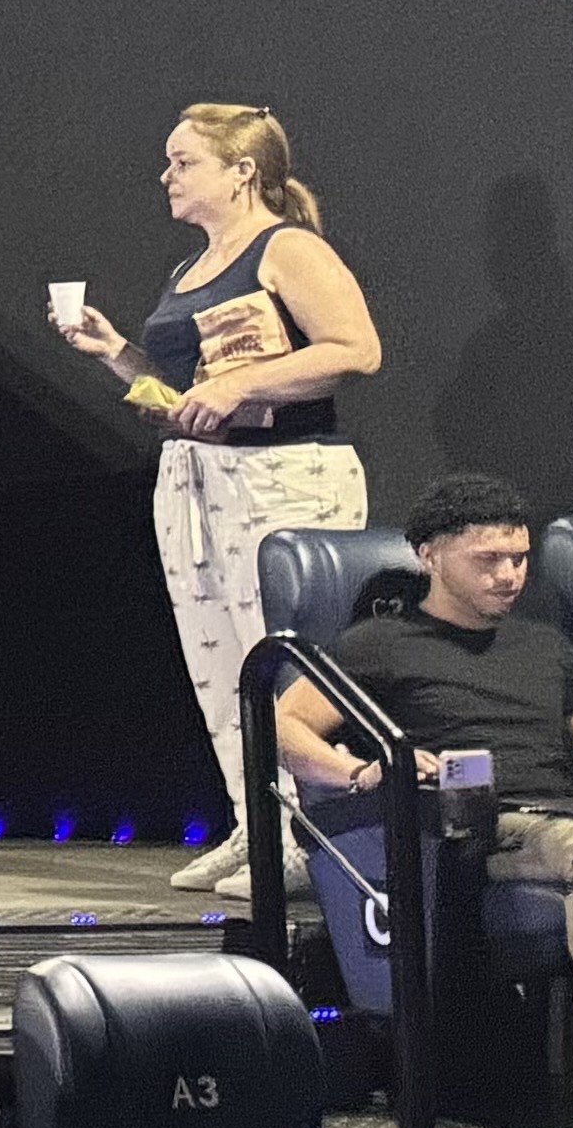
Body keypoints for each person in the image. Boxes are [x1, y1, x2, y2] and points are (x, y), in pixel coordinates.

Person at [53, 101, 385, 890]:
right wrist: (116, 352)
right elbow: (185, 391)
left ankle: (308, 833)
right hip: (198, 483)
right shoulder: (188, 269)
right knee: (221, 665)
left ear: (242, 171)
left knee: (281, 662)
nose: (166, 175)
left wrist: (243, 383)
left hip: (282, 477)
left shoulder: (286, 247)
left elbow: (356, 348)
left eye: (183, 161)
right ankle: (255, 823)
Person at [291, 476, 573, 1128]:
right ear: (430, 555)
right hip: (474, 826)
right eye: (488, 560)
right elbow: (282, 724)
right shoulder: (379, 643)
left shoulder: (546, 646)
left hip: (566, 818)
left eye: (519, 558)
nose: (509, 575)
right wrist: (363, 769)